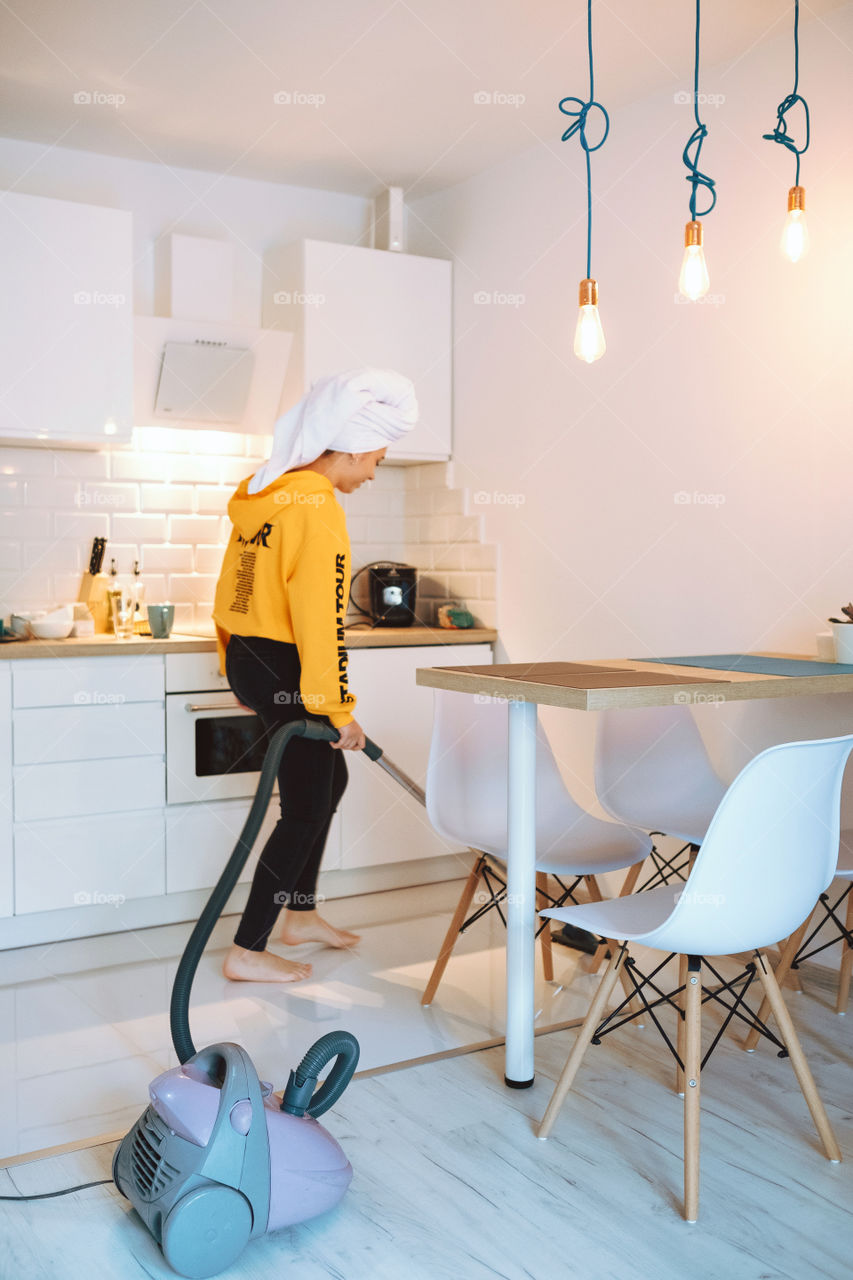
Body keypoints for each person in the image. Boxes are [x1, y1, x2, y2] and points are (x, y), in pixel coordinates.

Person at [212, 367, 417, 983]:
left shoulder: (268, 494)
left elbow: (233, 590)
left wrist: (236, 669)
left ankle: (298, 916)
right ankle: (248, 949)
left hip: (254, 656)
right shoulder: (317, 506)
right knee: (305, 805)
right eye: (375, 459)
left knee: (330, 783)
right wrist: (337, 708)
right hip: (289, 664)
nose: (374, 473)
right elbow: (321, 617)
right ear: (350, 448)